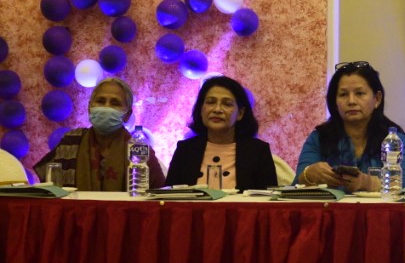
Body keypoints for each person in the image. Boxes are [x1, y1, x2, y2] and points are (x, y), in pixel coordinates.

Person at [295, 61, 405, 191]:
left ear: (377, 99)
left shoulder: (394, 140)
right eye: (343, 94)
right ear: (335, 102)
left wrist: (370, 183)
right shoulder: (319, 138)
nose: (351, 101)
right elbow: (295, 185)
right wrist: (308, 175)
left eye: (359, 93)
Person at [33, 77, 166, 191]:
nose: (106, 107)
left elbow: (159, 198)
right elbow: (50, 189)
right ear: (89, 108)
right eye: (101, 101)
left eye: (115, 103)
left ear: (128, 114)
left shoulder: (140, 151)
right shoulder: (71, 142)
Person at [167, 76, 277, 191]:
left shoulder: (258, 151)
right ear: (201, 109)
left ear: (240, 113)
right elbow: (168, 196)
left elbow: (269, 198)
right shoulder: (185, 150)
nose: (217, 109)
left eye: (227, 104)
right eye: (211, 102)